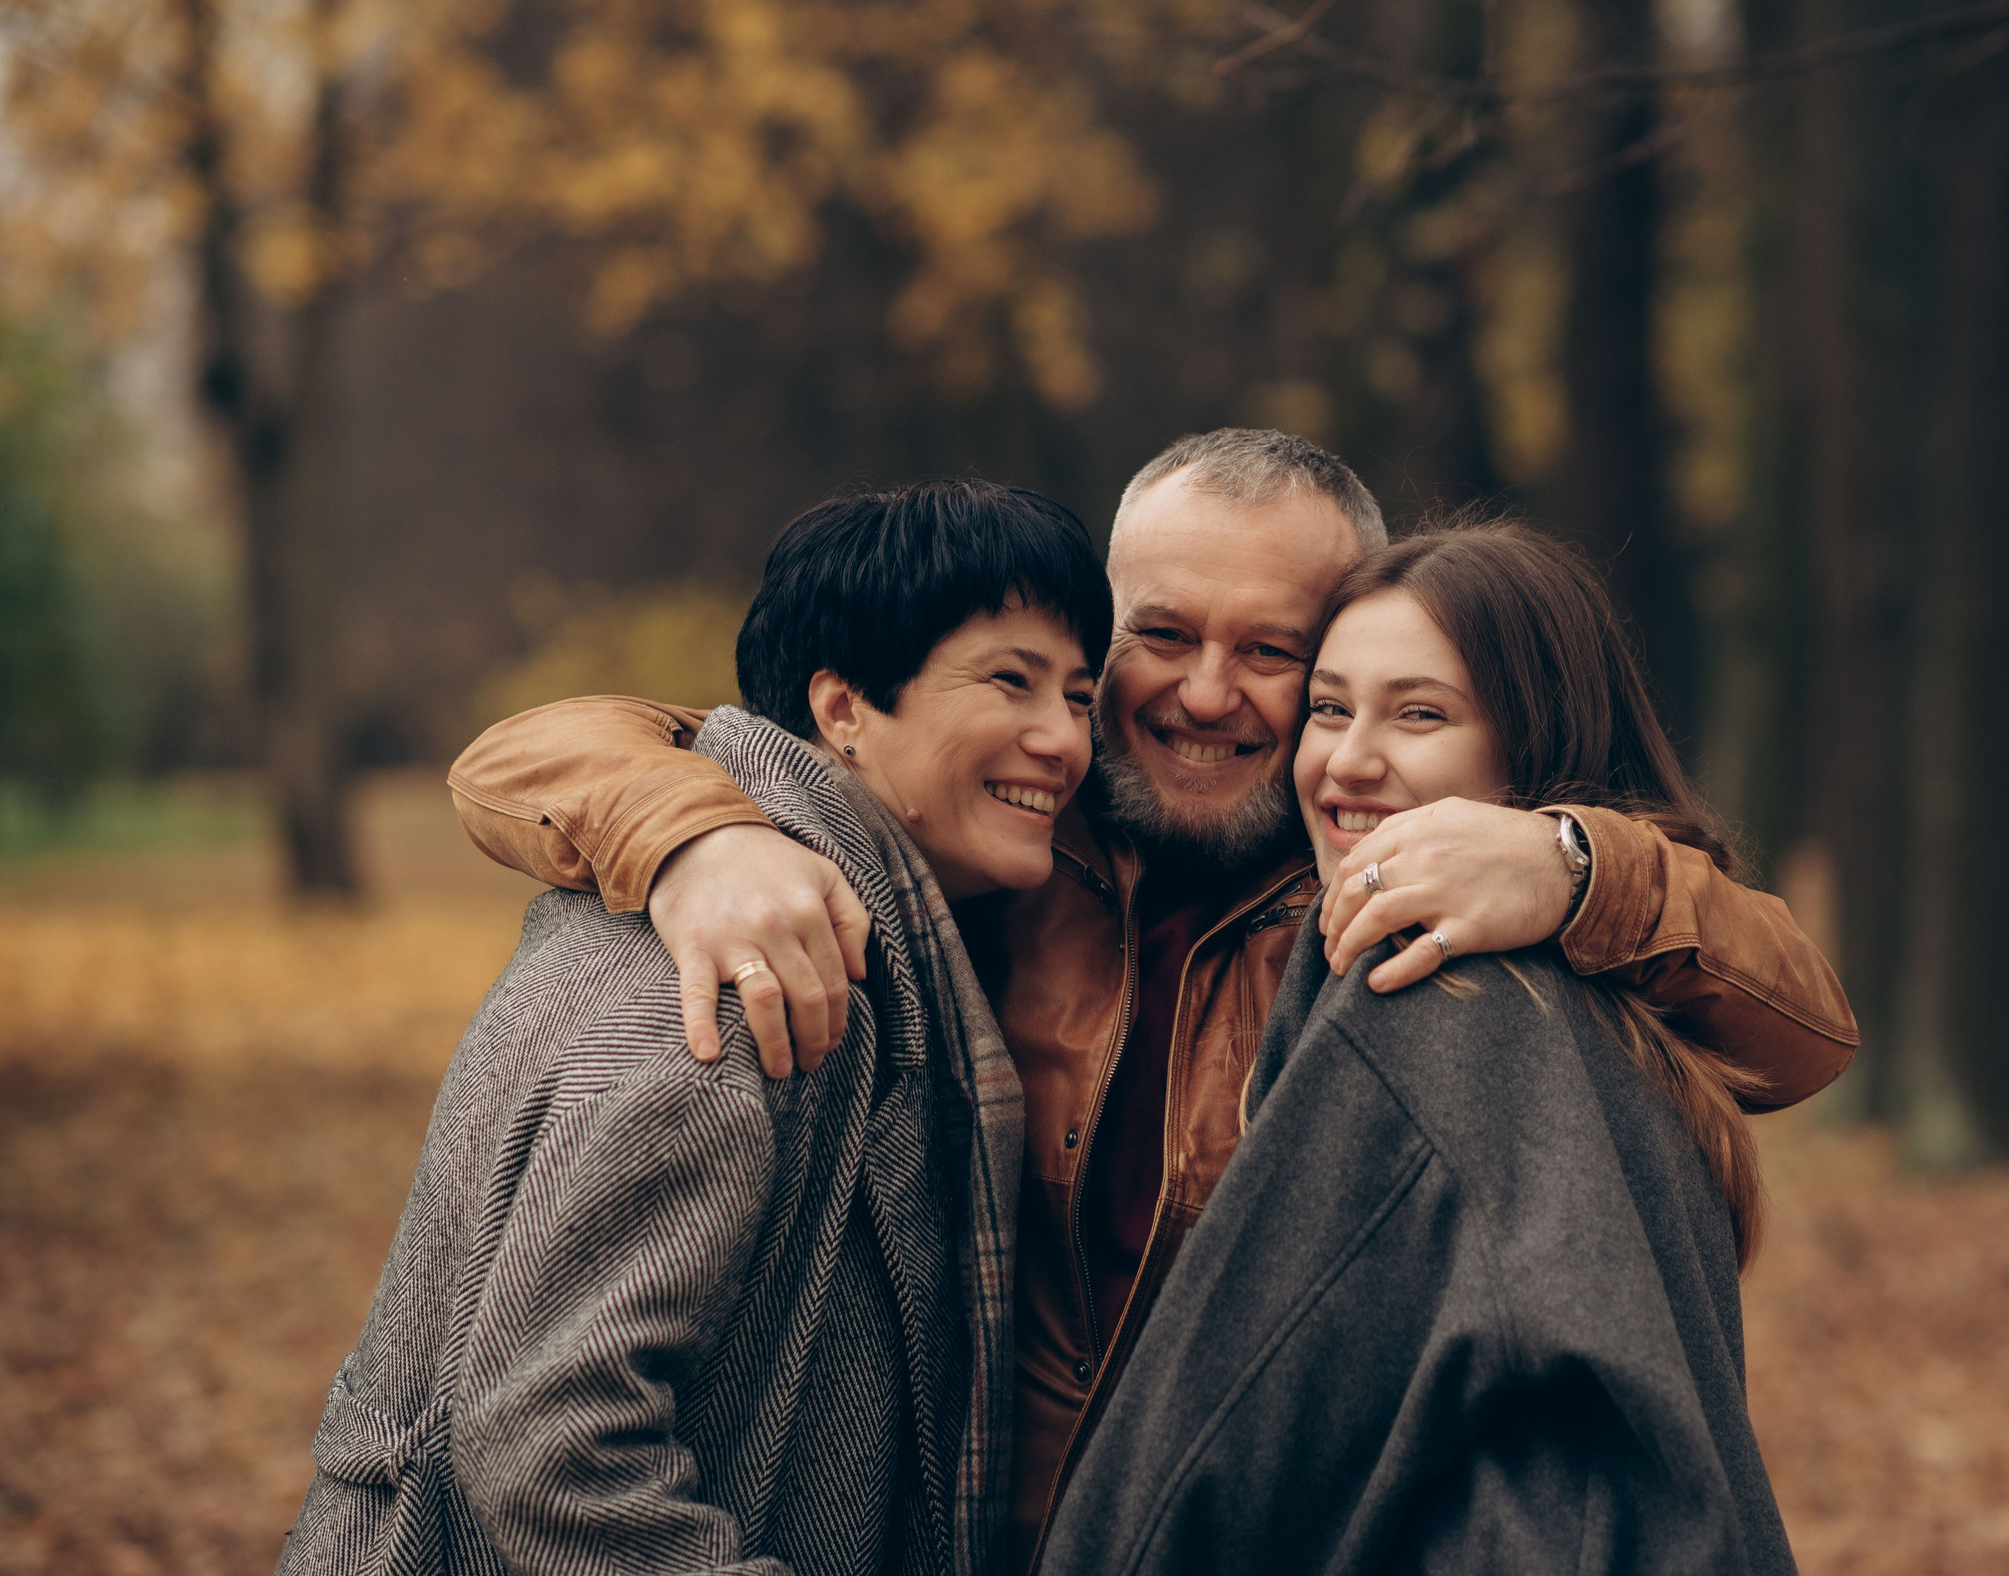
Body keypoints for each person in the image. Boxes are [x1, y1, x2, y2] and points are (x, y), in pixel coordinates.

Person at [445, 428, 1856, 1569]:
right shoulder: (1004, 838)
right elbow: (530, 756)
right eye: (1163, 635)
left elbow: (1799, 1033)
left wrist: (1569, 860)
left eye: (1270, 652)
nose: (1205, 693)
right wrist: (698, 838)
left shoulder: (1406, 917)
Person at [278, 480, 1111, 1576]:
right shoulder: (742, 985)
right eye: (1011, 680)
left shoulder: (809, 912)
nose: (1063, 738)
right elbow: (550, 1442)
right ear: (845, 707)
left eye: (1084, 696)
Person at [1043, 519, 1795, 1575]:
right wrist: (722, 820)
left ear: (1531, 743)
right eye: (1330, 707)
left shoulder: (1437, 1001)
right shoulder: (1595, 1001)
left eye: (1420, 713)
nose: (1348, 759)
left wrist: (1570, 860)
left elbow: (1228, 1431)